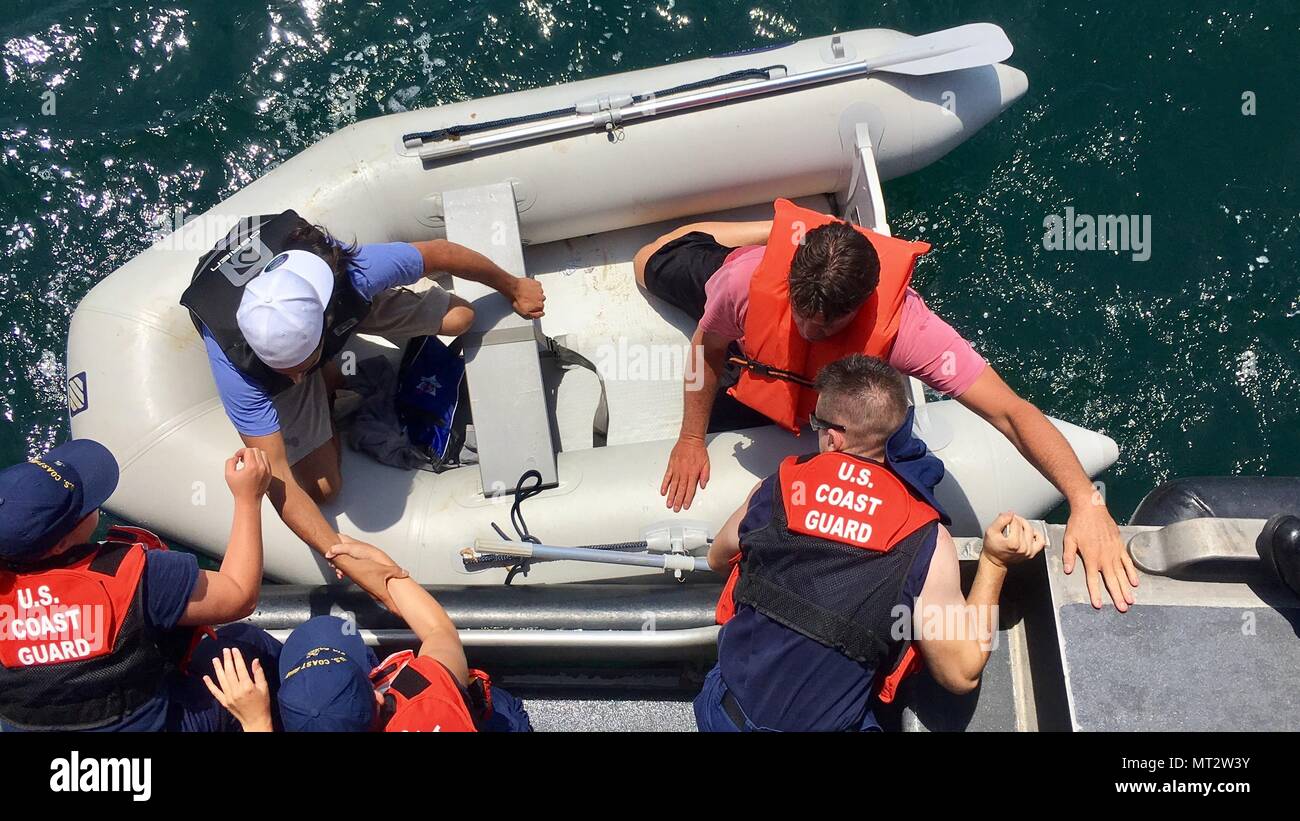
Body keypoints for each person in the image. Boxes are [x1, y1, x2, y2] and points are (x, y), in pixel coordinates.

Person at [634, 199, 1135, 611]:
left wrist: (1084, 501)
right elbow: (708, 348)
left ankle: (811, 232)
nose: (809, 332)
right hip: (753, 350)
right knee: (645, 264)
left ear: (861, 305)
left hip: (827, 396)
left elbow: (1009, 411)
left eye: (826, 326)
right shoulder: (743, 283)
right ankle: (774, 228)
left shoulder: (908, 330)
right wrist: (690, 438)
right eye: (802, 315)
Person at [180, 212, 546, 581]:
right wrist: (340, 555)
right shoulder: (237, 374)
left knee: (460, 318)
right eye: (284, 371)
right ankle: (323, 382)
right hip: (244, 297)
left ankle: (324, 370)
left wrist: (513, 286)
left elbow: (441, 252)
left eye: (300, 366)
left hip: (321, 298)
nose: (293, 376)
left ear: (324, 320)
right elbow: (278, 476)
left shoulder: (355, 272)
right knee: (323, 489)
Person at [695, 355, 1046, 732]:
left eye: (817, 424)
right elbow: (961, 673)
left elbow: (719, 558)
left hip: (722, 716)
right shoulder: (924, 536)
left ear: (833, 436)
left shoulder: (776, 488)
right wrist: (994, 562)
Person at [0, 439, 283, 731]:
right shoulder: (131, 574)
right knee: (243, 645)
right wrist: (248, 498)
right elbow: (239, 594)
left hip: (70, 773)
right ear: (60, 544)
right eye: (86, 506)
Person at [206, 538, 531, 732]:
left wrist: (256, 723)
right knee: (500, 711)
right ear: (376, 694)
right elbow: (438, 629)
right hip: (466, 716)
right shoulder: (426, 696)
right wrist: (382, 567)